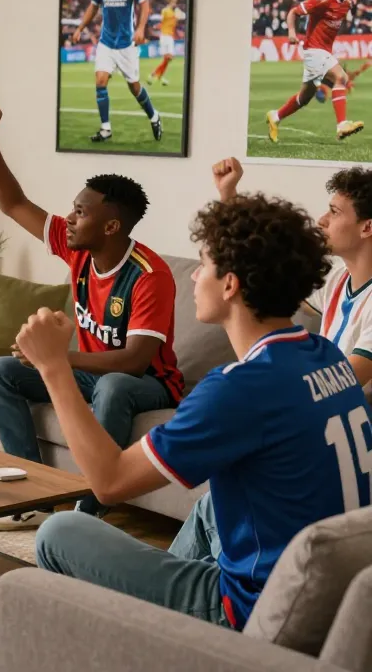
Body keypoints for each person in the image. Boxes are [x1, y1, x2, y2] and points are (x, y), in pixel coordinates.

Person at [23, 188, 371, 630]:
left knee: (59, 533)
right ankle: (164, 634)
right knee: (211, 508)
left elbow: (109, 482)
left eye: (203, 264)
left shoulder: (240, 388)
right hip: (331, 596)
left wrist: (54, 366)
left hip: (254, 611)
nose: (193, 277)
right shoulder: (326, 355)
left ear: (230, 284)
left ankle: (170, 635)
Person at [0, 101, 183, 527]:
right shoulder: (77, 250)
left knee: (115, 387)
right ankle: (35, 494)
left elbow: (134, 361)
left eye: (80, 213)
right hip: (91, 374)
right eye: (73, 208)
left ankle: (90, 507)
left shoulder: (150, 275)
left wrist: (56, 359)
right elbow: (13, 203)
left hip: (149, 383)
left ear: (111, 227)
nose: (68, 219)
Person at [168, 157, 372, 563]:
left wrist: (263, 394)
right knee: (216, 506)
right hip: (317, 413)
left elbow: (341, 379)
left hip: (342, 419)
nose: (322, 220)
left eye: (334, 212)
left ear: (367, 227)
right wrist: (228, 196)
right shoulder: (338, 280)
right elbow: (264, 270)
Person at [71, 0, 162, 144]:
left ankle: (154, 116)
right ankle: (105, 129)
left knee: (135, 88)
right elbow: (93, 6)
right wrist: (80, 28)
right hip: (106, 41)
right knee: (100, 80)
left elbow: (145, 3)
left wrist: (141, 28)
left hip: (126, 44)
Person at [267, 0, 364, 143]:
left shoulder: (349, 1)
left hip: (324, 51)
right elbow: (294, 12)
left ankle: (275, 117)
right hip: (314, 50)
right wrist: (292, 32)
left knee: (304, 98)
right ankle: (342, 124)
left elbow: (333, 23)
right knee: (341, 77)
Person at [147, 0, 185, 86]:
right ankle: (154, 75)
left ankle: (157, 76)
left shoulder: (176, 12)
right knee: (169, 57)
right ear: (170, 2)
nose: (175, 4)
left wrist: (178, 13)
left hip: (170, 36)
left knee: (167, 59)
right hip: (165, 36)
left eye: (176, 2)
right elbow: (162, 21)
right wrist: (156, 26)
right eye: (173, 2)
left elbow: (183, 16)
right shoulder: (165, 11)